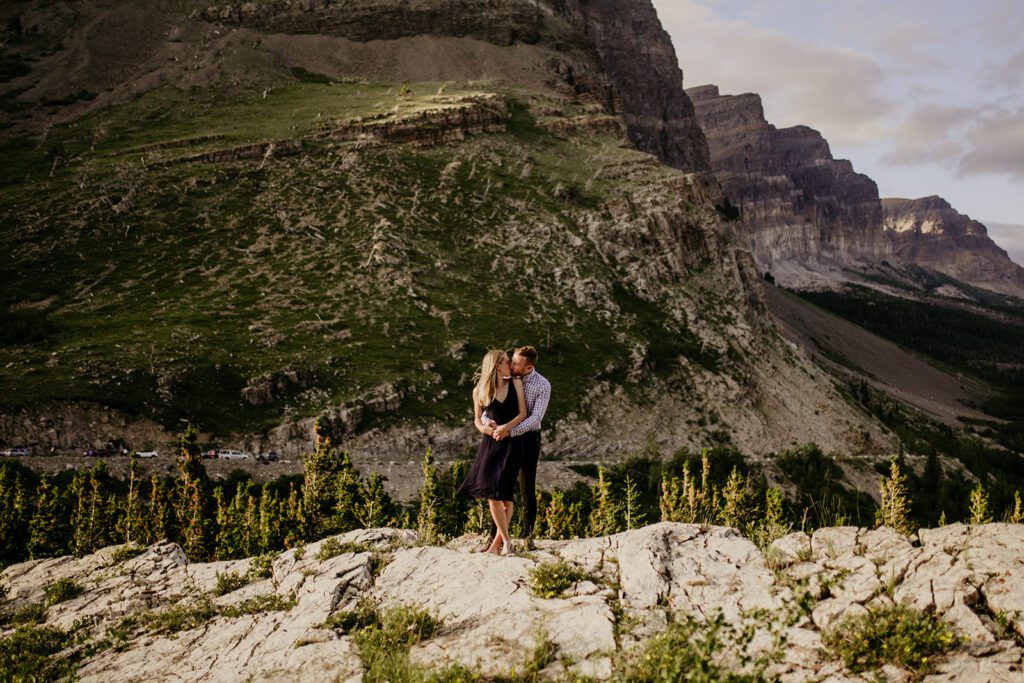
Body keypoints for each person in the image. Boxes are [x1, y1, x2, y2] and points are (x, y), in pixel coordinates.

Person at [458, 349, 527, 555]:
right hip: (491, 444)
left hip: (513, 442)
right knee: (492, 495)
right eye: (507, 362)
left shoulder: (515, 383)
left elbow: (523, 413)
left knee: (505, 496)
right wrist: (484, 429)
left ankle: (499, 544)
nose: (511, 366)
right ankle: (505, 541)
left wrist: (506, 427)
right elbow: (477, 420)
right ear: (497, 365)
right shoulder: (479, 390)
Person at [492, 345, 550, 550]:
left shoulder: (542, 385)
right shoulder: (504, 378)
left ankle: (528, 536)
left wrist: (512, 431)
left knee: (527, 487)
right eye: (512, 361)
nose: (511, 365)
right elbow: (488, 403)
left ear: (528, 368)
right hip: (507, 437)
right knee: (501, 487)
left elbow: (536, 418)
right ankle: (495, 538)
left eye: (516, 363)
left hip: (528, 438)